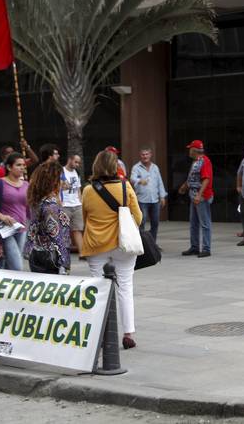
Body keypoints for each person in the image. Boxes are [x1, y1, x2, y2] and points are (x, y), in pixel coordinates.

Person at [82, 149, 142, 349]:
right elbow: (138, 217)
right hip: (122, 244)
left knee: (98, 289)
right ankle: (128, 333)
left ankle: (100, 333)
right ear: (116, 166)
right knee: (125, 287)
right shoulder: (125, 186)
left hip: (96, 244)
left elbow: (85, 217)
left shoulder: (88, 190)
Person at [0, 152, 30, 271]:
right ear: (9, 167)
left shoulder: (26, 185)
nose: (22, 167)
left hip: (21, 229)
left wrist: (35, 225)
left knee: (9, 265)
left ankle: (3, 287)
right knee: (17, 266)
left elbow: (28, 208)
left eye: (23, 165)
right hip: (4, 230)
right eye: (18, 165)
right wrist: (1, 216)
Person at [24, 160, 70, 274]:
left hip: (36, 253)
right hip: (50, 257)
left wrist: (27, 248)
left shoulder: (38, 200)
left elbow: (33, 227)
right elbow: (55, 235)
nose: (63, 182)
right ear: (53, 182)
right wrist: (65, 261)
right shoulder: (50, 206)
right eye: (60, 179)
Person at [179, 140, 213, 257]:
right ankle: (194, 247)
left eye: (190, 149)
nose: (188, 151)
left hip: (201, 197)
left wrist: (199, 195)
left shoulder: (204, 161)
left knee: (205, 223)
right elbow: (192, 178)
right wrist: (185, 186)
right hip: (193, 196)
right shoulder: (196, 162)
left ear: (194, 150)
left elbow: (206, 179)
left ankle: (206, 248)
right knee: (193, 223)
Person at [131, 148, 167, 245]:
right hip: (142, 200)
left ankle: (152, 244)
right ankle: (141, 244)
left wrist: (162, 196)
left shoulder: (155, 167)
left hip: (154, 200)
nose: (145, 156)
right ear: (140, 155)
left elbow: (159, 182)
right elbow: (132, 178)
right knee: (141, 223)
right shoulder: (136, 167)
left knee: (155, 223)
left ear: (150, 155)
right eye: (143, 154)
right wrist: (140, 181)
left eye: (147, 154)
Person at [61, 153, 85, 258]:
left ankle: (82, 252)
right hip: (65, 204)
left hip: (76, 204)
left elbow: (78, 189)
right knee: (64, 230)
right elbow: (58, 187)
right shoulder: (61, 171)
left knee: (78, 229)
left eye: (78, 163)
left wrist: (81, 201)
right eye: (76, 162)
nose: (77, 164)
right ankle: (63, 253)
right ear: (70, 159)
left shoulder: (76, 172)